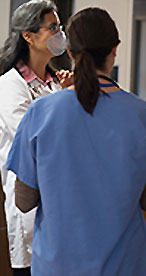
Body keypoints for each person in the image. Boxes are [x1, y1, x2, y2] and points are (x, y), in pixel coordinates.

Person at [6, 7, 146, 276]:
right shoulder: (142, 115)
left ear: (70, 52)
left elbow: (24, 201)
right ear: (114, 50)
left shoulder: (41, 112)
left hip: (57, 265)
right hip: (123, 265)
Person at [0, 1, 68, 275]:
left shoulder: (57, 83)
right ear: (28, 36)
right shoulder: (9, 85)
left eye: (59, 27)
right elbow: (36, 140)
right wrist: (67, 100)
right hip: (29, 203)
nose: (59, 34)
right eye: (52, 28)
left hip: (63, 199)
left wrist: (67, 94)